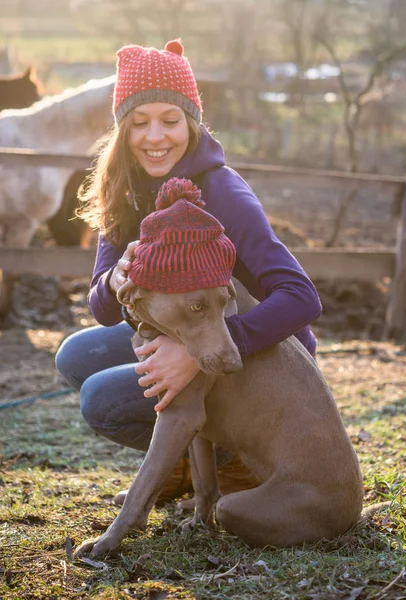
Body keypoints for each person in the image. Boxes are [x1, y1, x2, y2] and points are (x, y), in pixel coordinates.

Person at [56, 39, 322, 506]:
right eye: (139, 122)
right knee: (76, 355)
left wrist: (197, 354)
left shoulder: (222, 193)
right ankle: (181, 466)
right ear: (122, 129)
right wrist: (115, 279)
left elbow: (302, 298)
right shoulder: (123, 189)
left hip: (259, 359)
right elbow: (101, 309)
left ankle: (240, 463)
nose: (154, 137)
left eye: (170, 120)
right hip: (191, 332)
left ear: (192, 123)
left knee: (102, 398)